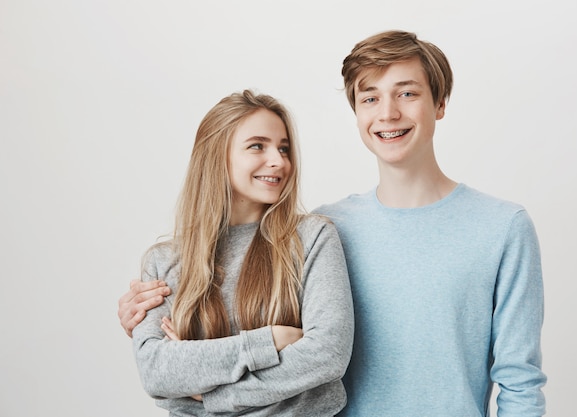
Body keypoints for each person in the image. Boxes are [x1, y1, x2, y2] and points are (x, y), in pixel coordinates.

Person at [120, 31, 547, 416]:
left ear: (440, 103)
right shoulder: (326, 228)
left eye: (408, 93)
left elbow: (520, 382)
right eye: (370, 98)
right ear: (357, 113)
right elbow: (228, 313)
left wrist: (210, 396)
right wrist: (148, 318)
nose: (388, 113)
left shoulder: (502, 226)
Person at [128, 89, 354, 416]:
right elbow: (157, 371)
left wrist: (210, 392)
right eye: (257, 146)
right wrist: (270, 340)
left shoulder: (312, 237)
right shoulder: (164, 261)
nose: (279, 161)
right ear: (216, 155)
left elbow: (326, 355)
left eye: (284, 148)